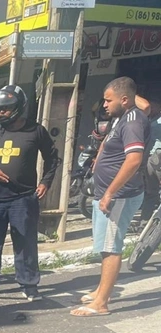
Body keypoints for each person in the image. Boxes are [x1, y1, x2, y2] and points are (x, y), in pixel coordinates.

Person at [72, 77, 150, 317]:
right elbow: (144, 104)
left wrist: (109, 193)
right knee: (104, 245)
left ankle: (101, 304)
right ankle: (100, 290)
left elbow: (134, 160)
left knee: (110, 248)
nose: (104, 104)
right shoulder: (124, 115)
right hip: (108, 193)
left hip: (119, 196)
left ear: (124, 100)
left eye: (108, 100)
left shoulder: (133, 122)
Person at [0, 85, 60, 302]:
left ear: (18, 108)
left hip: (23, 199)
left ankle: (29, 284)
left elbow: (52, 158)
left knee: (25, 243)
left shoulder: (36, 131)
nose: (1, 113)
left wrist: (46, 182)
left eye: (5, 109)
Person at [141, 99, 161, 221]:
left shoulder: (154, 121)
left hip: (155, 157)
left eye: (153, 107)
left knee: (151, 193)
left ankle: (144, 223)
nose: (151, 109)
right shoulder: (152, 121)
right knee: (151, 192)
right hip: (153, 158)